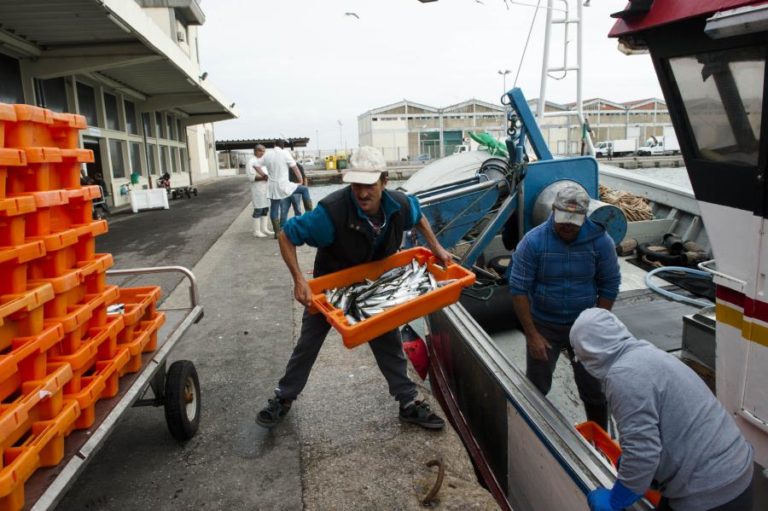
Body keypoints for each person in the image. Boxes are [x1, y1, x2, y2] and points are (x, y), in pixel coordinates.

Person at [256, 146, 452, 430]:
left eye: (369, 185)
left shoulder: (399, 204)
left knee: (388, 340)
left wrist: (438, 248)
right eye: (356, 185)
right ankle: (283, 398)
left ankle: (408, 402)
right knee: (308, 342)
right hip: (331, 284)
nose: (362, 193)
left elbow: (419, 216)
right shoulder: (330, 213)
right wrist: (299, 281)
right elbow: (286, 235)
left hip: (376, 283)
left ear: (384, 181)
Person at [570, 308, 754, 511]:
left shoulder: (623, 377)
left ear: (591, 355)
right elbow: (668, 426)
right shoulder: (647, 353)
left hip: (710, 493)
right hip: (735, 471)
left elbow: (643, 454)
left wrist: (616, 499)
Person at [508, 185, 620, 429]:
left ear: (585, 216)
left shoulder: (601, 241)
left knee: (594, 390)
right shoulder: (533, 242)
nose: (567, 226)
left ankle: (600, 439)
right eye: (563, 219)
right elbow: (518, 288)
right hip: (544, 325)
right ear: (553, 211)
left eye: (574, 221)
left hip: (584, 326)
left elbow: (610, 285)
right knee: (536, 386)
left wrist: (596, 325)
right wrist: (532, 334)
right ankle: (532, 432)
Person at [264, 139, 312, 237]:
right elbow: (300, 174)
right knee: (286, 211)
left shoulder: (270, 157)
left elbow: (304, 176)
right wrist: (301, 182)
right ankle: (309, 215)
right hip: (287, 188)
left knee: (278, 209)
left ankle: (278, 232)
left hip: (280, 188)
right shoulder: (287, 159)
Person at [246, 144, 273, 238]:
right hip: (257, 189)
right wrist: (264, 178)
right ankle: (257, 231)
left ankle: (264, 228)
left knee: (265, 209)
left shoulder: (262, 161)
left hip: (266, 189)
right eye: (260, 151)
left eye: (264, 151)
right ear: (255, 151)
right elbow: (251, 177)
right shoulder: (251, 161)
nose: (262, 152)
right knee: (258, 209)